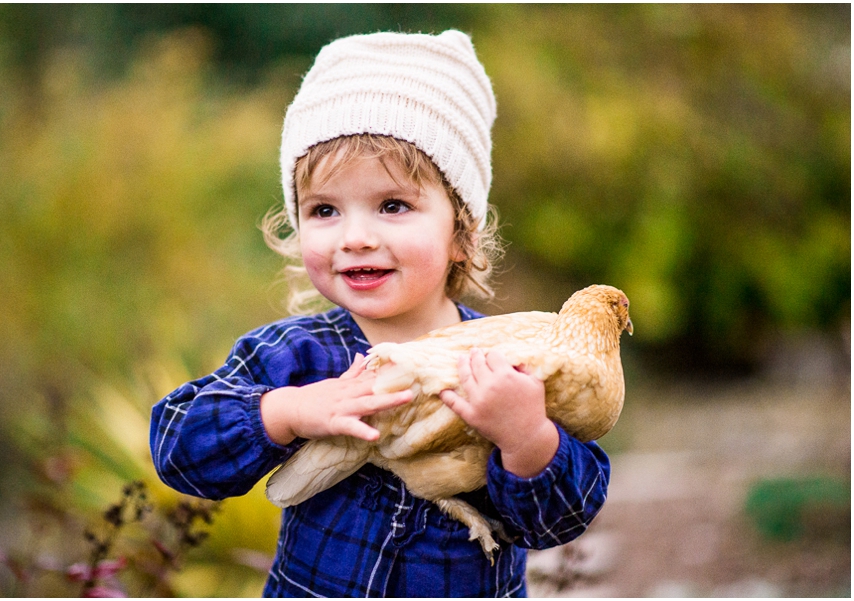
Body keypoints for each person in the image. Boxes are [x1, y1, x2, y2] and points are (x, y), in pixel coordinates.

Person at [150, 29, 610, 597]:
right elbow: (178, 446)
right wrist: (288, 411)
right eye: (324, 210)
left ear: (461, 233)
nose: (356, 237)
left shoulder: (504, 363)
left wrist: (525, 438)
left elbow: (561, 519)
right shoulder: (297, 355)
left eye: (393, 205)